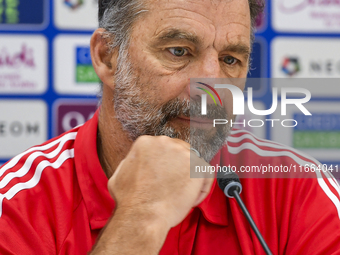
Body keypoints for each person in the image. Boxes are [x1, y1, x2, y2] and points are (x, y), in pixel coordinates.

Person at [1, 0, 340, 254]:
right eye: (179, 51)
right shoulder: (17, 205)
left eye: (230, 60)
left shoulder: (298, 189)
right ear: (107, 57)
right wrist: (140, 217)